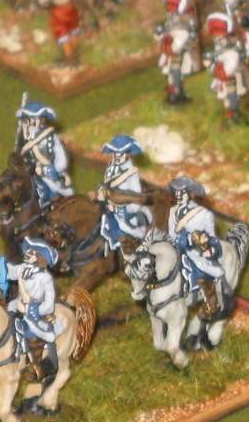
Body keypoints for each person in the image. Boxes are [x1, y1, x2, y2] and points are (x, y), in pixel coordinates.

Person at [166, 176, 224, 313]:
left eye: (182, 193)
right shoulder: (173, 211)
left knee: (202, 277)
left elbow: (212, 238)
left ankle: (212, 305)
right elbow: (171, 235)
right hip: (176, 250)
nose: (178, 196)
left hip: (195, 253)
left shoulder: (203, 214)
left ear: (189, 194)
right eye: (176, 193)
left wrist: (209, 249)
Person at [5, 237, 60, 379]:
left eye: (32, 252)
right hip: (18, 306)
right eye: (27, 250)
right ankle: (14, 354)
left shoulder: (45, 278)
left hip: (36, 311)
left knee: (44, 332)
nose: (27, 253)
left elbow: (49, 304)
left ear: (39, 258)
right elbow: (9, 271)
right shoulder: (22, 269)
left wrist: (31, 309)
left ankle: (50, 363)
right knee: (9, 322)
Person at [92, 134, 152, 255]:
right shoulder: (111, 166)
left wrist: (118, 205)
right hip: (109, 203)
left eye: (121, 153)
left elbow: (135, 194)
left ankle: (134, 250)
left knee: (124, 226)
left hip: (126, 208)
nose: (117, 156)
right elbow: (107, 183)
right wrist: (104, 197)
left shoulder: (131, 171)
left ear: (127, 154)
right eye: (115, 153)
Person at [14, 100, 72, 206]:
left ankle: (49, 203)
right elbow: (22, 150)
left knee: (46, 188)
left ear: (42, 120)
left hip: (47, 169)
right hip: (31, 167)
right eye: (30, 118)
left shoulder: (48, 137)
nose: (32, 122)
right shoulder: (28, 133)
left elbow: (47, 159)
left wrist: (38, 161)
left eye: (35, 119)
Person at [205, 11, 249, 123]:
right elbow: (216, 54)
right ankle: (230, 112)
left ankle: (234, 112)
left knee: (231, 88)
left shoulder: (233, 47)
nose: (217, 37)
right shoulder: (219, 42)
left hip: (232, 67)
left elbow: (240, 51)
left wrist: (217, 70)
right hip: (221, 65)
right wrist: (213, 65)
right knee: (225, 93)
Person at [156, 0, 200, 106]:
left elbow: (185, 35)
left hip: (179, 50)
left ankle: (177, 92)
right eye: (168, 4)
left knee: (176, 70)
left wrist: (174, 47)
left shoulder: (184, 19)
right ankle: (175, 91)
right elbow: (167, 31)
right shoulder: (170, 18)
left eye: (172, 5)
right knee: (171, 71)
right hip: (171, 49)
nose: (169, 8)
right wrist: (163, 37)